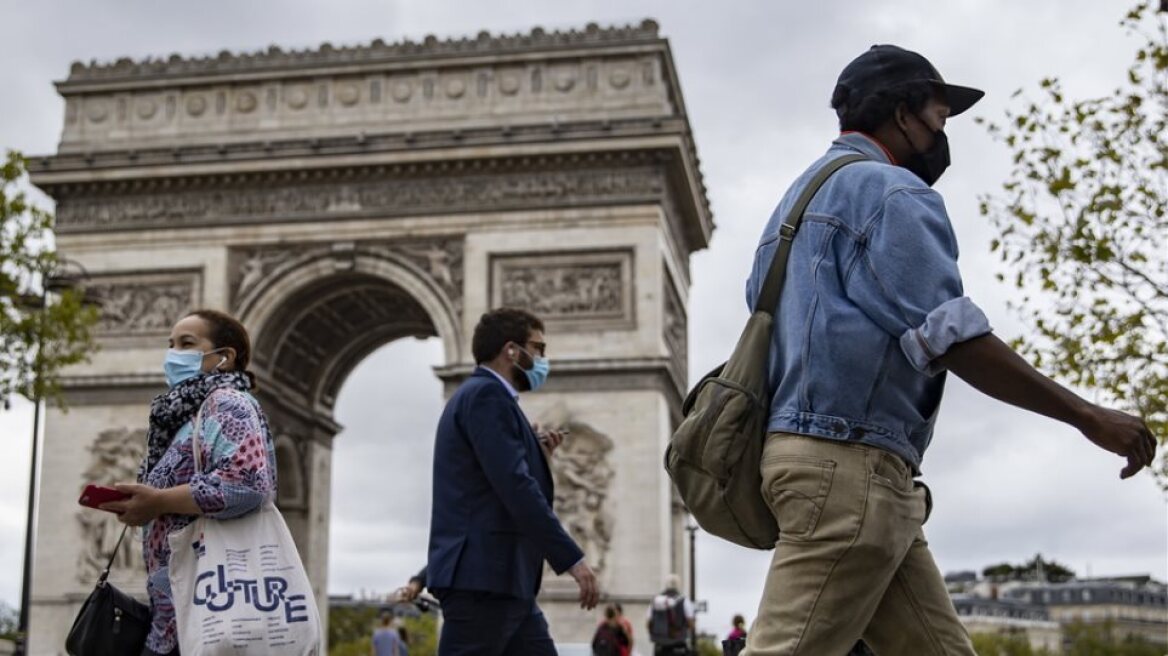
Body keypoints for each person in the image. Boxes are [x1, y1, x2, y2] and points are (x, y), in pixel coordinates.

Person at [741, 44, 1159, 655]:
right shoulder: (890, 192)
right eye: (940, 119)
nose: (943, 136)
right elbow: (955, 338)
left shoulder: (793, 207)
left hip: (820, 462)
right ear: (902, 114)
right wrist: (1087, 415)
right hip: (850, 469)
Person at [101, 309, 277, 656]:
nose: (173, 354)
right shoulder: (183, 417)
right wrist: (141, 506)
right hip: (175, 614)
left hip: (212, 609)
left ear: (225, 357)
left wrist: (159, 501)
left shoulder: (227, 403)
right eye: (171, 344)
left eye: (186, 343)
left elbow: (248, 484)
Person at [425, 307, 600, 654]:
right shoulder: (487, 397)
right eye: (538, 348)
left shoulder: (489, 398)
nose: (543, 360)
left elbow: (498, 480)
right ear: (511, 351)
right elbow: (516, 487)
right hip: (484, 580)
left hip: (505, 579)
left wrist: (539, 456)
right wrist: (572, 558)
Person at [646, 574, 694, 655]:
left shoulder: (655, 601)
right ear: (678, 585)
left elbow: (648, 623)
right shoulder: (684, 601)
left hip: (660, 646)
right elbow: (690, 623)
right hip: (678, 645)